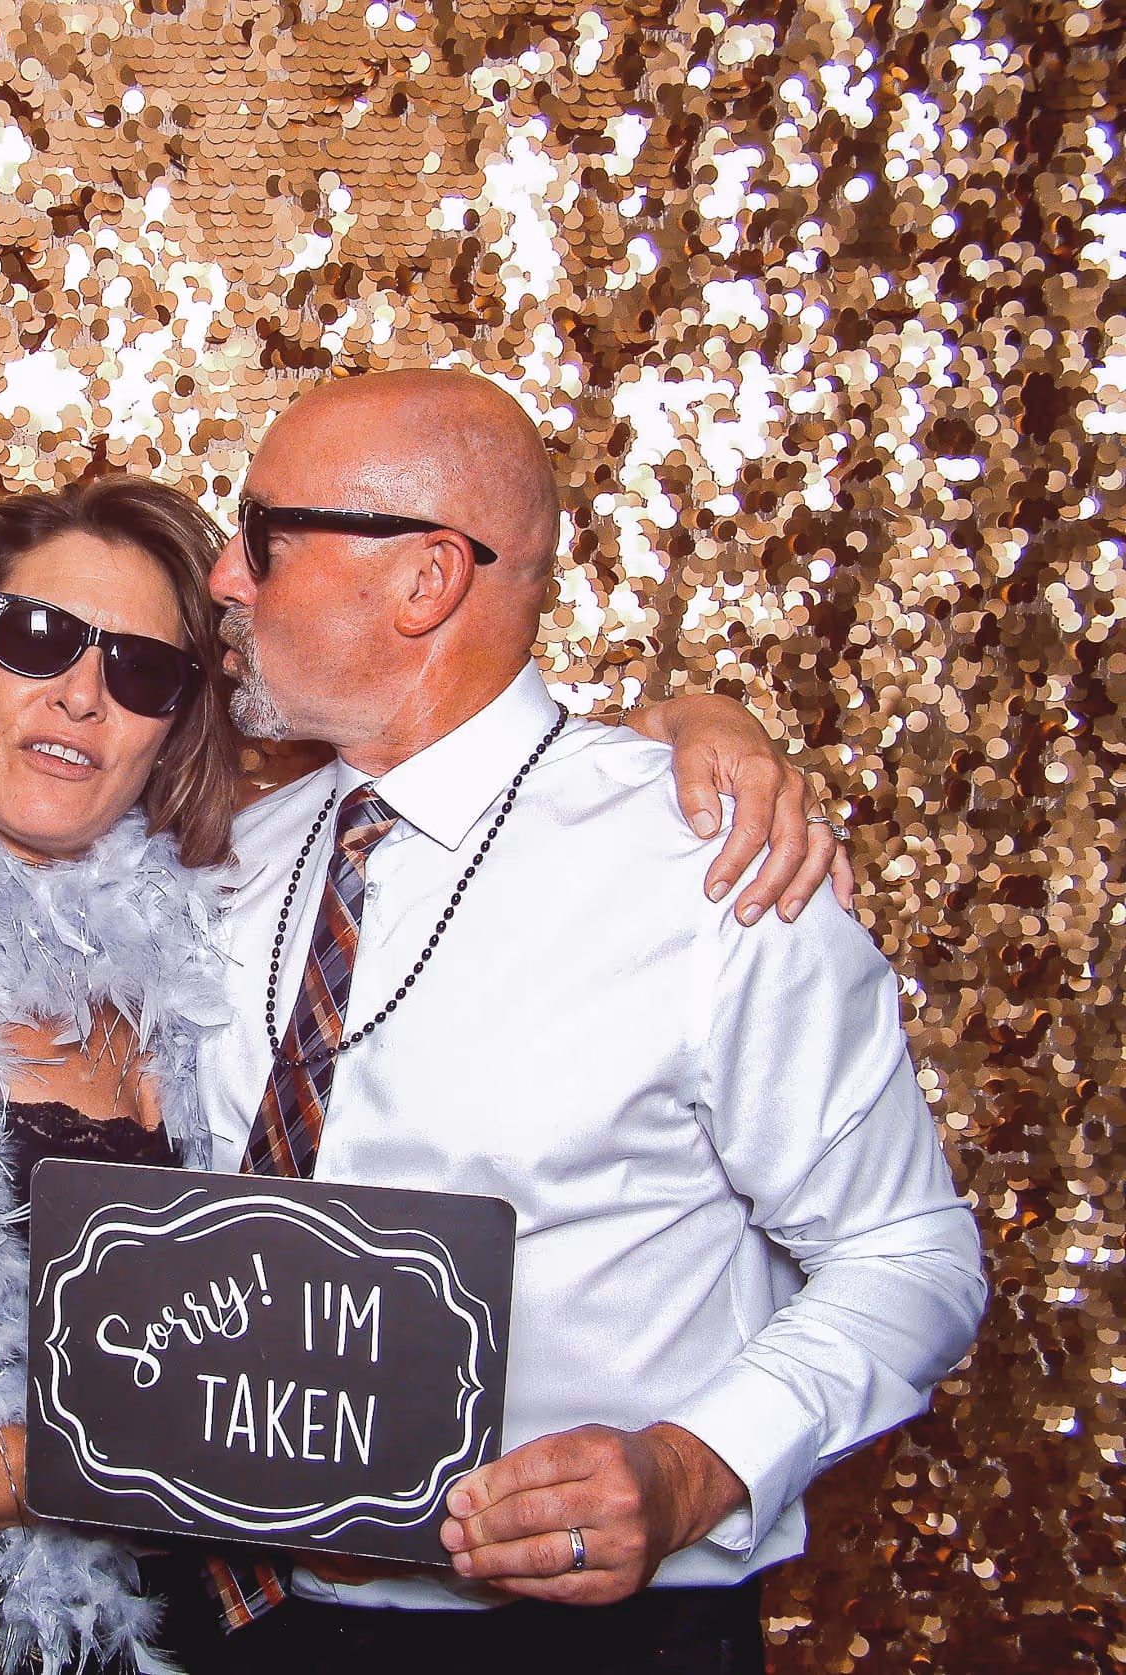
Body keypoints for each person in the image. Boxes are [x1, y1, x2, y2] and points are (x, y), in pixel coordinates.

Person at [0, 475, 852, 1675]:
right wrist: (151, 1455)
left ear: (172, 722)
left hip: (211, 1633)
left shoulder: (218, 919)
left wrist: (700, 725)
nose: (81, 694)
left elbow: (471, 753)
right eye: (35, 636)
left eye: (140, 669)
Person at [170, 369, 988, 1674]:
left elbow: (910, 1251)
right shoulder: (229, 868)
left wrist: (691, 1466)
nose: (224, 575)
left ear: (426, 578)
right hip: (231, 1627)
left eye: (263, 535)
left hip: (596, 1640)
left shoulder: (707, 867)